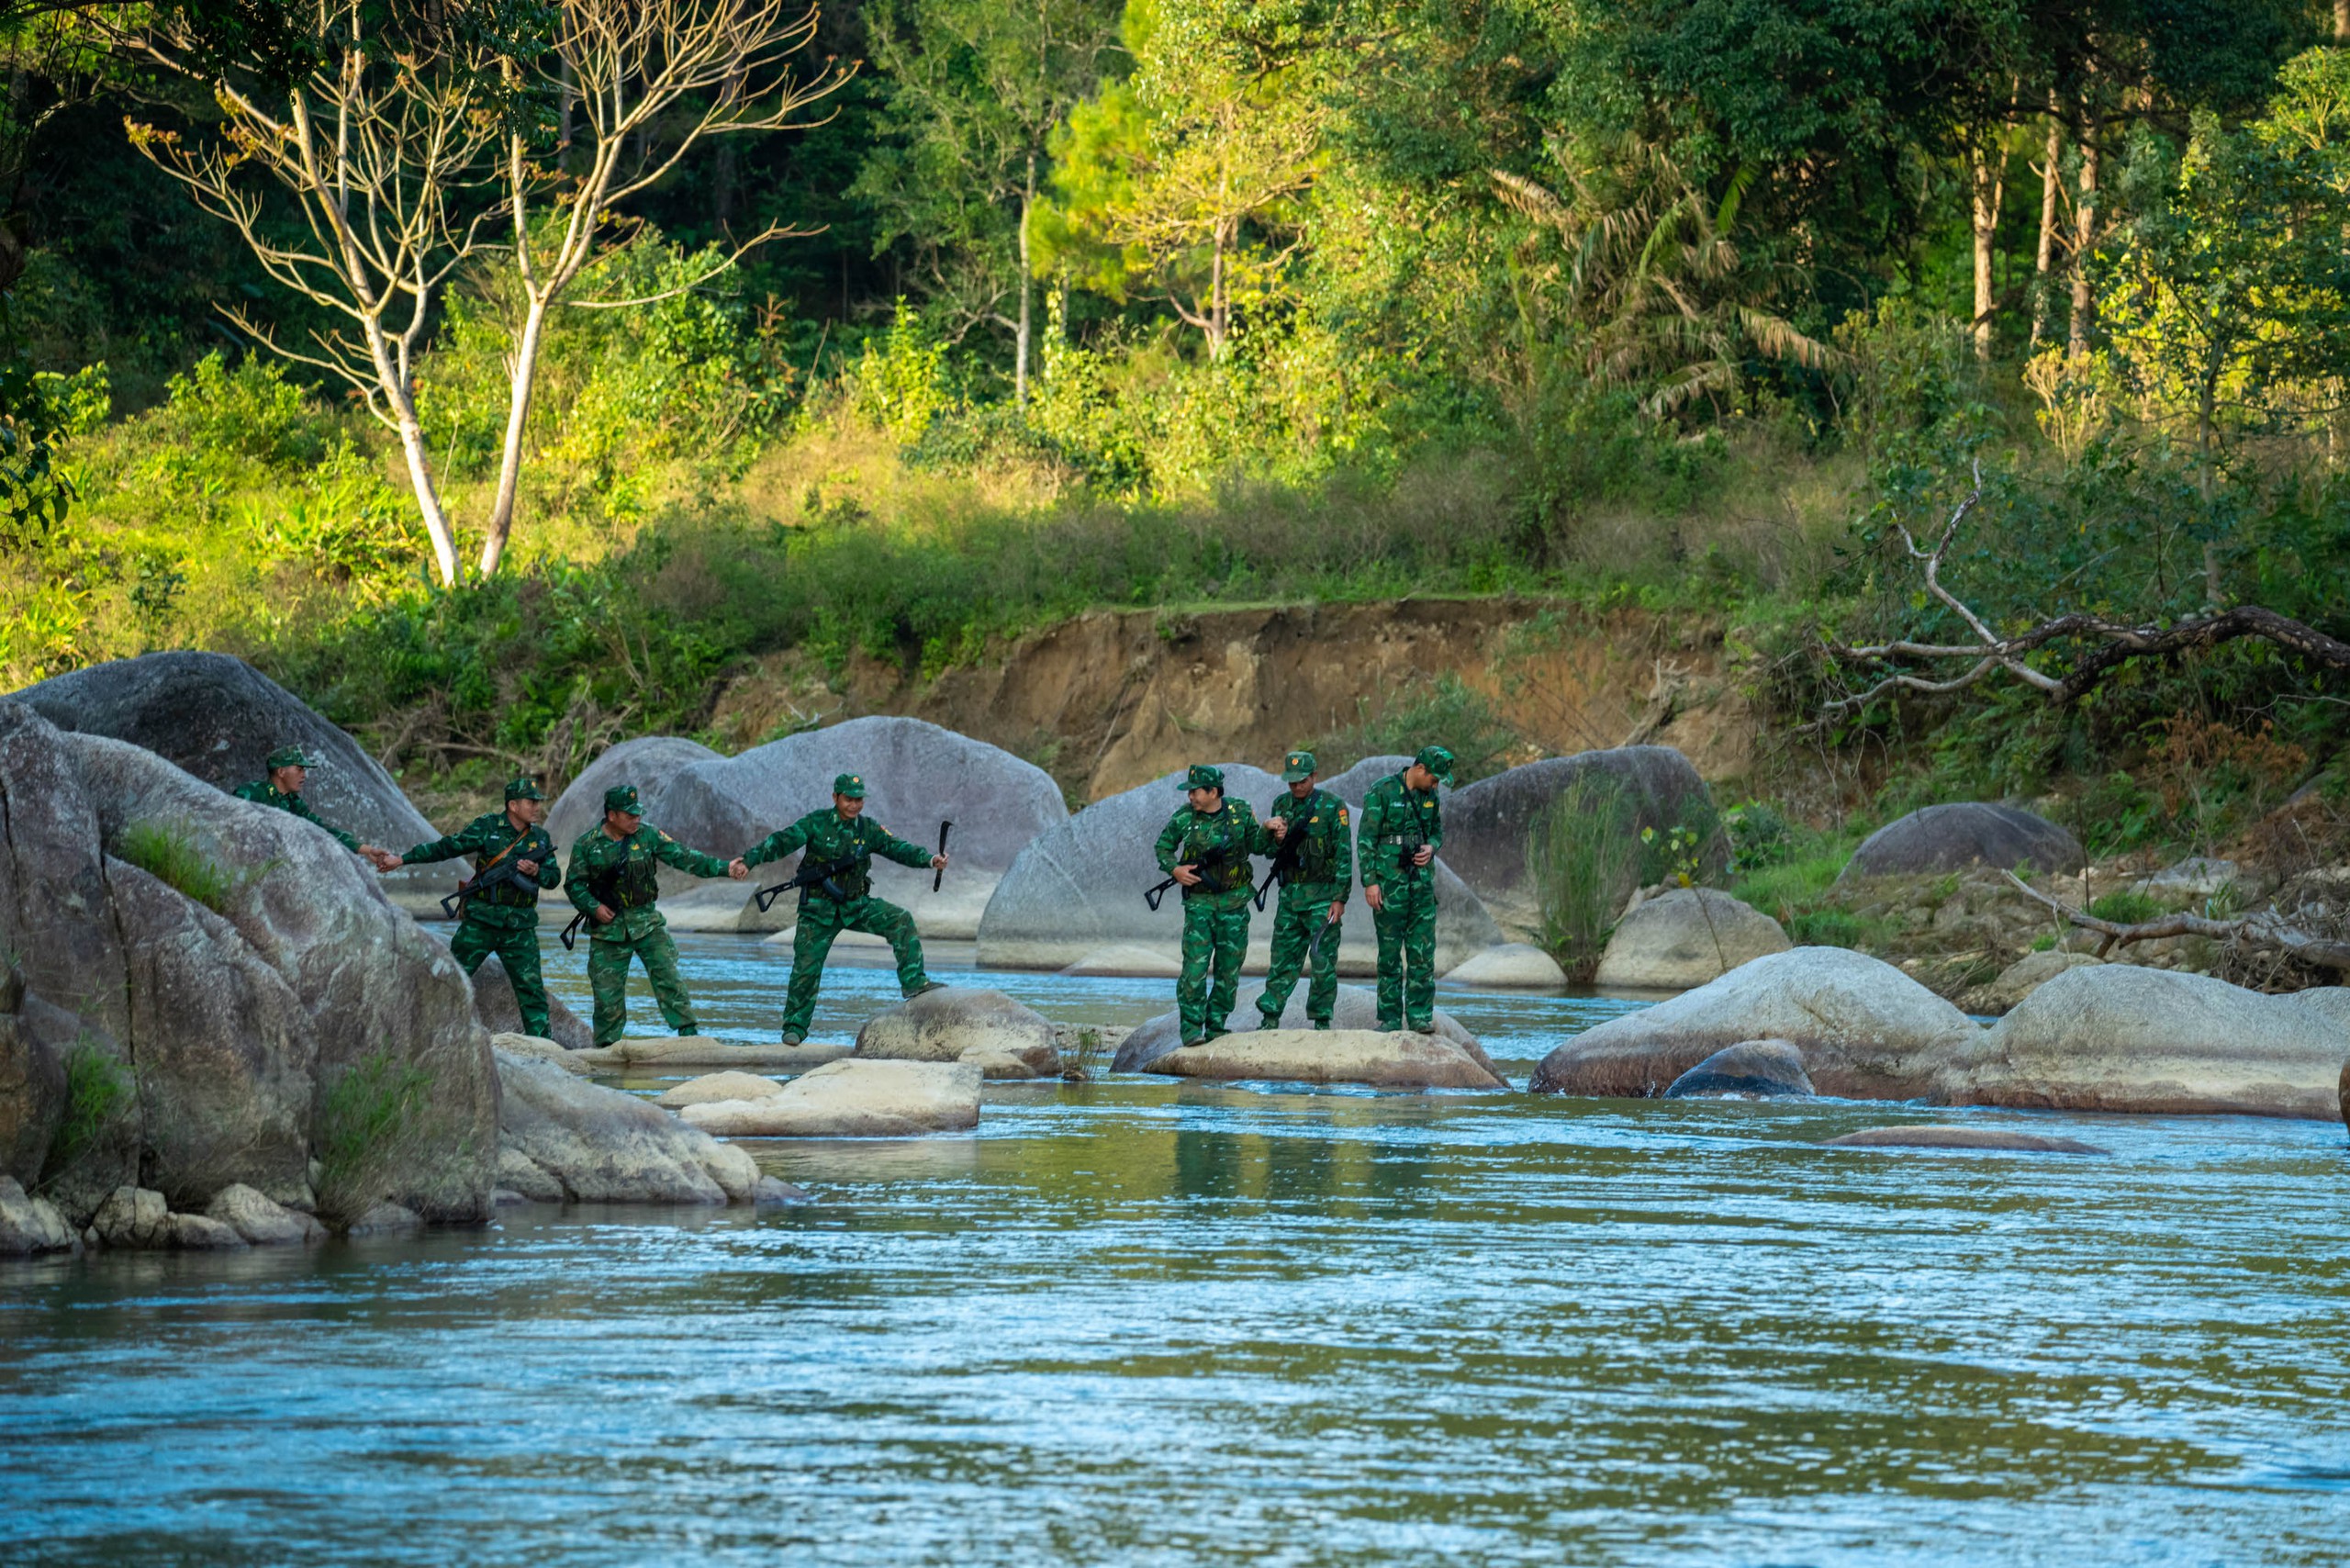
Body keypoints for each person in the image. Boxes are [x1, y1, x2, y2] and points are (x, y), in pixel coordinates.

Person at [741, 772, 950, 1047]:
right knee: (806, 969)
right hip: (818, 909)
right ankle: (794, 1028)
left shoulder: (868, 829)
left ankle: (914, 981)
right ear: (835, 798)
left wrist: (929, 859)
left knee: (900, 920)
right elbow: (779, 842)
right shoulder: (816, 823)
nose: (854, 805)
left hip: (855, 905)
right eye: (849, 799)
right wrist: (748, 860)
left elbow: (897, 847)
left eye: (859, 800)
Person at [372, 776, 563, 1037]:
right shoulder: (487, 827)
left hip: (520, 927)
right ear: (513, 806)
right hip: (481, 922)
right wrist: (402, 860)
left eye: (538, 802)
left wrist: (537, 870)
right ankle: (425, 1034)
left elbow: (553, 879)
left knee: (532, 992)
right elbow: (447, 847)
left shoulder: (540, 838)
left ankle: (543, 1047)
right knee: (452, 979)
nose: (537, 807)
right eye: (531, 802)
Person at [564, 784, 748, 1047]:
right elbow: (574, 885)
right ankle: (606, 1048)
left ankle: (689, 1035)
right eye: (630, 816)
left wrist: (724, 868)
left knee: (669, 979)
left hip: (647, 923)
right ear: (611, 815)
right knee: (607, 996)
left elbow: (685, 858)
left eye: (638, 814)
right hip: (608, 930)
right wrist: (594, 907)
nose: (636, 819)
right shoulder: (586, 844)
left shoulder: (648, 836)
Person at [1153, 763, 1267, 1048]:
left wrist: (1269, 831)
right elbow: (1163, 847)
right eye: (1189, 791)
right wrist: (1175, 870)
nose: (1190, 796)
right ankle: (1191, 1030)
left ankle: (1217, 1026)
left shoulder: (1239, 811)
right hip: (1199, 905)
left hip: (1234, 904)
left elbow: (1256, 844)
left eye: (1195, 791)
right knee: (1194, 970)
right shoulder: (1184, 817)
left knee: (1229, 970)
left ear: (1213, 791)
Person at [1356, 745, 1453, 1033]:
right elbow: (1365, 840)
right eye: (1434, 778)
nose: (1436, 785)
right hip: (1388, 884)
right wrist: (1370, 882)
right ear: (1420, 769)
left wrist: (1431, 847)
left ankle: (1419, 1016)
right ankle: (1388, 1018)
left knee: (1422, 953)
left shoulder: (1431, 796)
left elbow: (1436, 831)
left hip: (1421, 885)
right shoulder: (1382, 791)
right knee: (1389, 954)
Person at [1256, 749, 1353, 1031]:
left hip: (1322, 898)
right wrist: (1272, 834)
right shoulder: (1281, 803)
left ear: (1314, 776)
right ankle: (1269, 1018)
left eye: (1302, 780)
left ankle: (1321, 1020)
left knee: (1322, 960)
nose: (1296, 786)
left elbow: (1343, 854)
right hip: (1290, 897)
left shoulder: (1333, 806)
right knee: (1282, 961)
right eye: (1292, 781)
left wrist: (1340, 897)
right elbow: (1268, 852)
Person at [231, 745, 389, 864]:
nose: (304, 775)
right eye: (299, 769)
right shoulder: (251, 793)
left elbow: (323, 830)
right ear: (281, 772)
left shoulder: (294, 802)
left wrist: (366, 850)